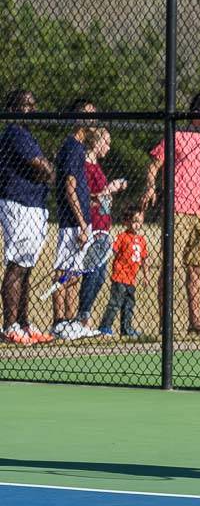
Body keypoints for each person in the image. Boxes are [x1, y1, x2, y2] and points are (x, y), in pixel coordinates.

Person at [140, 92, 200, 336]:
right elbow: (154, 165)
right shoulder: (177, 135)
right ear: (197, 113)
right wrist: (151, 186)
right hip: (178, 209)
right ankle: (166, 323)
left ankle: (195, 321)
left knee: (195, 269)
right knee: (169, 266)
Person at [0, 90, 55, 345]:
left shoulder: (27, 134)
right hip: (18, 203)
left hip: (34, 204)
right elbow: (41, 166)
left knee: (27, 268)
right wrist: (47, 169)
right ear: (13, 108)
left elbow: (45, 169)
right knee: (17, 266)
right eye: (26, 105)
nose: (32, 109)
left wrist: (47, 170)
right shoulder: (15, 133)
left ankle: (23, 323)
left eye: (34, 104)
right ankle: (10, 325)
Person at [51, 98, 98, 339]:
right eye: (89, 115)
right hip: (72, 221)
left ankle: (70, 322)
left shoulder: (79, 147)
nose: (94, 120)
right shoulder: (72, 147)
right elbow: (70, 188)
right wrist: (81, 223)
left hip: (80, 221)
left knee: (74, 272)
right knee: (63, 270)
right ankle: (59, 322)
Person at [76, 128, 127, 329]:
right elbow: (85, 197)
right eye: (106, 143)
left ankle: (84, 314)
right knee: (92, 273)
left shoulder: (97, 167)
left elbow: (102, 198)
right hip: (94, 227)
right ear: (96, 143)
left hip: (104, 227)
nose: (109, 147)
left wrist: (109, 193)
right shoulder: (86, 167)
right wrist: (109, 189)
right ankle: (82, 316)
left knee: (99, 276)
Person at [98, 204, 149, 337]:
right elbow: (113, 250)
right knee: (115, 303)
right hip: (120, 277)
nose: (137, 225)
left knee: (129, 305)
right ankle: (105, 327)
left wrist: (146, 276)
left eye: (139, 222)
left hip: (131, 279)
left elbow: (144, 259)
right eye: (134, 221)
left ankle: (126, 329)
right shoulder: (122, 237)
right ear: (127, 222)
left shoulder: (142, 240)